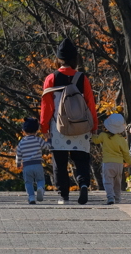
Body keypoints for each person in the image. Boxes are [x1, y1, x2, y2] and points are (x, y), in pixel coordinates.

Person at [40, 37, 98, 205]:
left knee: (59, 161)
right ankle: (83, 183)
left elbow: (47, 106)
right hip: (81, 126)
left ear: (59, 59)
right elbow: (90, 103)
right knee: (81, 159)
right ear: (75, 58)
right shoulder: (82, 78)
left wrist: (44, 126)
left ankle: (63, 195)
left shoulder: (51, 78)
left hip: (59, 127)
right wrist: (93, 125)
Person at [91, 113, 131, 205]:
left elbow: (95, 140)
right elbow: (125, 153)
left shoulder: (103, 136)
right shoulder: (121, 139)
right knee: (117, 182)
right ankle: (117, 198)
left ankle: (110, 197)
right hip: (119, 164)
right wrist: (129, 162)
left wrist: (91, 134)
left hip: (107, 163)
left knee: (108, 181)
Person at [15, 117, 49, 204]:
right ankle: (40, 188)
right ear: (37, 130)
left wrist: (18, 164)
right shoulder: (38, 140)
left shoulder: (22, 142)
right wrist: (49, 140)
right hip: (38, 164)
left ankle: (31, 197)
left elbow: (18, 155)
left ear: (24, 130)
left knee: (28, 182)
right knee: (40, 180)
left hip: (26, 166)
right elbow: (47, 147)